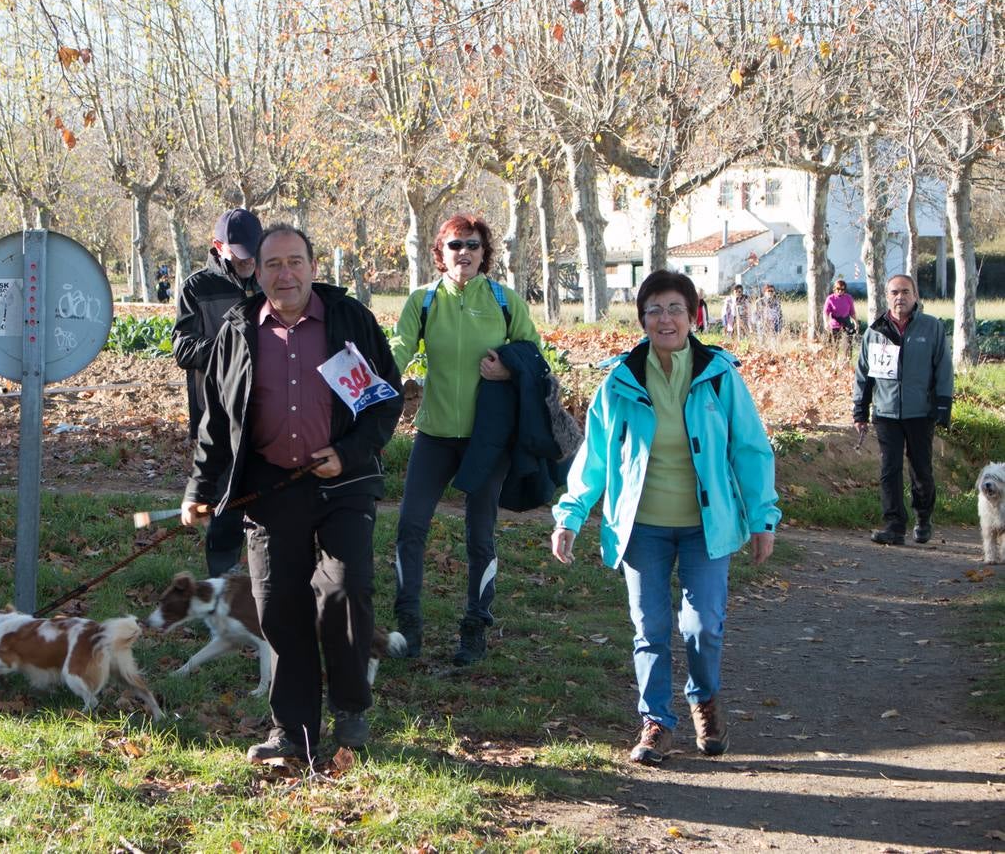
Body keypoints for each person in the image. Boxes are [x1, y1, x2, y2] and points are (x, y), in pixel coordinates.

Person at [181, 224, 403, 764]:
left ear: (314, 266)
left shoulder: (349, 321)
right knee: (280, 608)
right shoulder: (238, 330)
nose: (285, 274)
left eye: (295, 262)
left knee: (343, 593)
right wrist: (199, 489)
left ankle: (350, 713)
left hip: (341, 486)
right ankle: (293, 733)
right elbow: (215, 420)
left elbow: (383, 401)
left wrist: (347, 453)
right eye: (273, 264)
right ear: (256, 272)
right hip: (268, 491)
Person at [550, 270, 780, 766]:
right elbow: (595, 456)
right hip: (641, 527)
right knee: (649, 627)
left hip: (706, 526)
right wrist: (570, 515)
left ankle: (704, 699)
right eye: (654, 310)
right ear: (642, 320)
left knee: (702, 626)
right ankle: (656, 721)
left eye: (675, 308)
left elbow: (751, 449)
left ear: (694, 314)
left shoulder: (719, 374)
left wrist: (763, 517)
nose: (665, 318)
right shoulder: (621, 379)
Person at [389, 214, 540, 666]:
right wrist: (374, 374)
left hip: (485, 442)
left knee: (480, 536)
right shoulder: (424, 301)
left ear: (484, 252)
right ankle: (408, 625)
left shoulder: (504, 300)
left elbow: (534, 355)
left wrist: (509, 369)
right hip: (434, 435)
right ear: (441, 252)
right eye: (455, 245)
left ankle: (475, 627)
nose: (465, 253)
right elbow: (399, 347)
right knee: (409, 529)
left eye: (473, 245)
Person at [172, 209, 262, 577]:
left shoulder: (269, 279)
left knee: (261, 505)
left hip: (266, 413)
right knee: (224, 509)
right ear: (218, 247)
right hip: (219, 415)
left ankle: (262, 588)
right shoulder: (197, 288)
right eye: (240, 253)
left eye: (254, 251)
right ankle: (220, 589)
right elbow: (183, 348)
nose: (249, 261)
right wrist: (231, 349)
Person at [853, 274, 953, 545]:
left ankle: (923, 518)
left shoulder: (932, 328)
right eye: (895, 292)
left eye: (906, 292)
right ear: (887, 296)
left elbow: (944, 368)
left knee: (921, 469)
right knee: (889, 469)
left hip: (921, 412)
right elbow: (863, 374)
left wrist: (944, 403)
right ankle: (895, 525)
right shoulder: (874, 331)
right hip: (886, 412)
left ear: (915, 295)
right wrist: (860, 411)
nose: (900, 297)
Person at [824, 279, 858, 353]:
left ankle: (847, 362)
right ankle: (834, 362)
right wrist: (826, 323)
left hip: (847, 323)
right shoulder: (830, 298)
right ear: (834, 289)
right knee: (834, 347)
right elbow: (826, 312)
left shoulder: (848, 298)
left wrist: (856, 323)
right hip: (835, 324)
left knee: (848, 346)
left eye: (842, 289)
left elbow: (852, 312)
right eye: (838, 289)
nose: (840, 291)